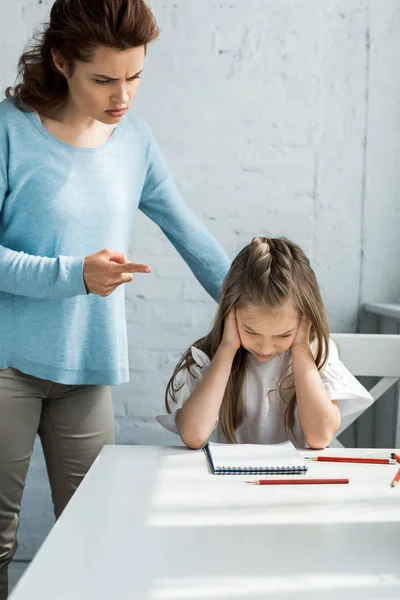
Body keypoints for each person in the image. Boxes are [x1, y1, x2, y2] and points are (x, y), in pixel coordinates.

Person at [0, 0, 230, 597]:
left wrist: (257, 304)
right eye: (104, 79)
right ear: (60, 62)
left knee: (94, 532)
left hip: (86, 368)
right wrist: (74, 274)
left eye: (134, 76)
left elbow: (189, 234)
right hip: (5, 368)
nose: (122, 96)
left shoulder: (135, 140)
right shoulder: (8, 129)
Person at [158, 236, 373, 449]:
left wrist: (300, 348)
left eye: (282, 335)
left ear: (304, 320)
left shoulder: (316, 353)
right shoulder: (212, 356)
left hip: (298, 483)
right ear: (230, 315)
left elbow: (320, 437)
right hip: (229, 482)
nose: (265, 348)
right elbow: (193, 435)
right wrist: (227, 348)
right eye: (251, 332)